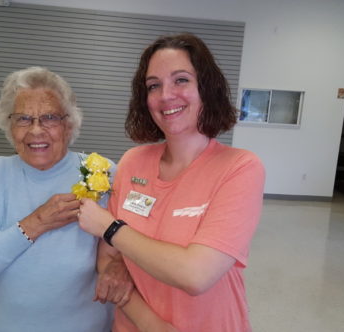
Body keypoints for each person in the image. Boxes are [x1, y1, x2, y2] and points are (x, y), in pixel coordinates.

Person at [78, 33, 265, 331]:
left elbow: (195, 274)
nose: (166, 95)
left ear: (207, 88)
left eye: (181, 80)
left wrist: (109, 227)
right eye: (154, 85)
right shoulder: (133, 162)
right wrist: (152, 324)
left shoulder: (239, 168)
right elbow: (108, 260)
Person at [0, 66, 122, 332]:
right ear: (9, 125)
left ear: (69, 123)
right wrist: (34, 223)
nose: (36, 130)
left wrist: (121, 267)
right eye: (23, 119)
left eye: (50, 117)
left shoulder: (102, 172)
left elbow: (131, 247)